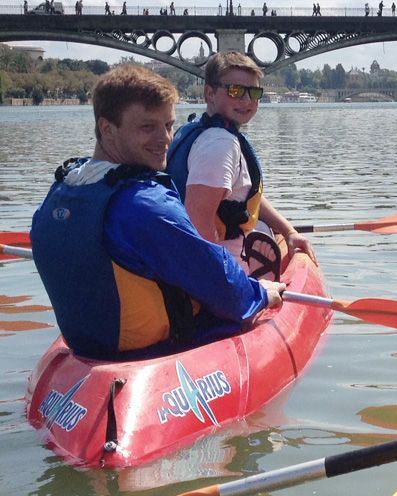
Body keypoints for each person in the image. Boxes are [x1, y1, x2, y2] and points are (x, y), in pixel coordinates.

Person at [30, 65, 285, 361]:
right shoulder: (144, 206)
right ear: (106, 129)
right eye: (147, 127)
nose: (164, 139)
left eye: (168, 125)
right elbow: (220, 285)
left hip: (88, 348)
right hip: (157, 350)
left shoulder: (63, 191)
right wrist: (261, 294)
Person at [166, 51, 315, 277]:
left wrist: (288, 230)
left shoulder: (199, 129)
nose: (246, 100)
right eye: (235, 91)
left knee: (267, 232)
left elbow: (241, 195)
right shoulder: (219, 144)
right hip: (221, 266)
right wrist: (223, 285)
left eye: (254, 92)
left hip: (192, 255)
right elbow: (198, 220)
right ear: (210, 93)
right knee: (266, 238)